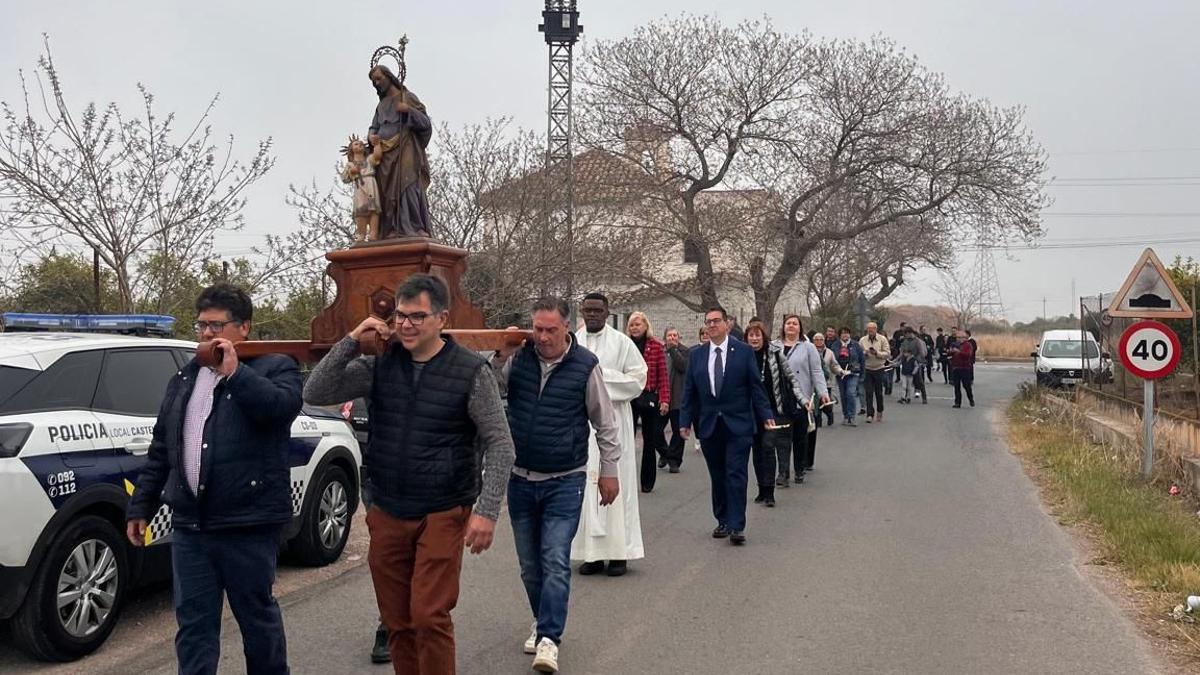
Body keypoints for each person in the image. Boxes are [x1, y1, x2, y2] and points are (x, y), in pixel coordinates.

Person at [302, 274, 514, 674]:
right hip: (388, 509)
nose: (406, 324)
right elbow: (315, 391)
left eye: (417, 316)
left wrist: (487, 512)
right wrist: (352, 338)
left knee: (429, 616)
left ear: (441, 318)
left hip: (443, 510)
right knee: (397, 620)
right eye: (400, 315)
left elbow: (500, 442)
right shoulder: (379, 364)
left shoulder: (470, 371)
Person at [126, 284, 302, 675]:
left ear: (244, 328)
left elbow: (280, 409)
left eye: (216, 325)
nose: (206, 334)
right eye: (201, 325)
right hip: (191, 525)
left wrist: (235, 373)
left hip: (247, 523)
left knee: (258, 622)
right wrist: (142, 505)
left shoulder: (275, 367)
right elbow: (162, 449)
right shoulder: (185, 378)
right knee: (194, 627)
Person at [492, 297, 621, 673]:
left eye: (550, 329)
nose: (543, 337)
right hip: (520, 478)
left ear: (567, 327)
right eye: (538, 329)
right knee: (530, 566)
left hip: (565, 479)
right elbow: (488, 383)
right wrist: (501, 354)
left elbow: (605, 423)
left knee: (554, 558)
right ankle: (541, 619)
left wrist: (609, 472)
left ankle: (550, 638)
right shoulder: (521, 358)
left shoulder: (585, 367)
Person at [678, 307, 774, 545]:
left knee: (736, 473)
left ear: (727, 324)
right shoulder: (698, 355)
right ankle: (722, 519)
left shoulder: (743, 352)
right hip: (710, 424)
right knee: (718, 474)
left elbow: (755, 386)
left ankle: (736, 524)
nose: (711, 325)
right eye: (708, 322)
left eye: (716, 321)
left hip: (738, 423)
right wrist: (684, 421)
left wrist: (766, 414)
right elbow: (689, 391)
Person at [573, 293, 647, 577]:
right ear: (582, 311)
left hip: (614, 421)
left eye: (598, 310)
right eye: (588, 310)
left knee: (617, 484)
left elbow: (639, 379)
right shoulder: (573, 342)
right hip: (582, 423)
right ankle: (591, 554)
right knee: (586, 486)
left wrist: (600, 380)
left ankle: (619, 553)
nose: (592, 315)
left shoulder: (622, 342)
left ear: (607, 312)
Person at [368, 64, 433, 238]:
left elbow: (426, 124)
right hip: (385, 154)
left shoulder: (408, 98)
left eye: (379, 78)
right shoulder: (381, 107)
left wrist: (408, 111)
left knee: (408, 184)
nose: (377, 83)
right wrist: (371, 136)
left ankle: (413, 226)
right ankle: (391, 229)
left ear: (389, 77)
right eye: (374, 81)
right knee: (387, 193)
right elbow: (374, 127)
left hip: (406, 148)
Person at [744, 321, 801, 507]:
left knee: (768, 447)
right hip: (750, 411)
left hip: (773, 409)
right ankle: (761, 488)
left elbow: (791, 378)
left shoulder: (775, 353)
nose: (754, 339)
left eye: (757, 335)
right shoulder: (742, 356)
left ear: (763, 337)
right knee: (757, 451)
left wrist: (802, 399)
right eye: (751, 335)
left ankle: (769, 492)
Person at [776, 315, 829, 483]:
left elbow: (817, 371)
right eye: (788, 323)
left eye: (795, 324)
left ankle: (799, 468)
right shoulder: (774, 346)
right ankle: (783, 472)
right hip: (780, 397)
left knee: (800, 436)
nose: (791, 326)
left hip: (802, 397)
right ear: (783, 327)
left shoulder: (808, 347)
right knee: (782, 438)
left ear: (800, 328)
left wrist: (822, 392)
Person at [626, 312, 670, 493]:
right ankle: (625, 478)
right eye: (632, 325)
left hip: (649, 396)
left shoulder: (656, 346)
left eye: (637, 324)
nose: (635, 328)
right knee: (626, 440)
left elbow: (663, 375)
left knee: (649, 440)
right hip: (629, 397)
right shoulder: (625, 345)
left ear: (645, 325)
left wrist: (665, 399)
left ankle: (647, 481)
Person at [663, 327, 689, 473]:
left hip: (678, 398)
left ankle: (674, 461)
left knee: (678, 431)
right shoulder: (660, 352)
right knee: (655, 430)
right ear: (665, 337)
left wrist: (673, 350)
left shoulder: (685, 352)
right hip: (662, 397)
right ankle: (664, 452)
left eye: (675, 335)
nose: (672, 338)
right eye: (669, 335)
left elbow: (683, 366)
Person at [859, 322, 891, 423]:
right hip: (867, 368)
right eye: (868, 329)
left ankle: (880, 410)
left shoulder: (882, 339)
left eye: (872, 329)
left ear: (876, 329)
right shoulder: (862, 340)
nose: (870, 331)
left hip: (879, 368)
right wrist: (865, 353)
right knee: (868, 392)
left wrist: (877, 353)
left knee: (878, 392)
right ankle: (869, 414)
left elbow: (887, 354)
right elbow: (859, 355)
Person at [812, 332, 844, 427]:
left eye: (821, 339)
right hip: (813, 383)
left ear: (824, 340)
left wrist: (840, 371)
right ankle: (818, 421)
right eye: (816, 340)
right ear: (813, 341)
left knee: (826, 403)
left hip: (827, 382)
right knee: (816, 404)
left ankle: (830, 415)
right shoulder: (810, 351)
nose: (818, 341)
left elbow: (834, 365)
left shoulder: (829, 352)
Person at [834, 327, 865, 426]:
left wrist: (862, 374)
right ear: (840, 335)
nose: (845, 335)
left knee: (851, 393)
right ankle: (846, 416)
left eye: (847, 333)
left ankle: (852, 416)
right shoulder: (835, 345)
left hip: (853, 373)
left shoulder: (856, 345)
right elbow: (832, 360)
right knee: (843, 395)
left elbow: (862, 360)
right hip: (840, 374)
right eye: (843, 333)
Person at [949, 328, 977, 408]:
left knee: (966, 386)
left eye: (960, 337)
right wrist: (950, 352)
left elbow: (968, 355)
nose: (958, 339)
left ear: (964, 338)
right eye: (957, 337)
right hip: (956, 367)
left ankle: (971, 399)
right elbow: (951, 353)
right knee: (956, 386)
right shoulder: (955, 344)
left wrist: (959, 352)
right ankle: (957, 402)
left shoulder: (968, 345)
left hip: (965, 368)